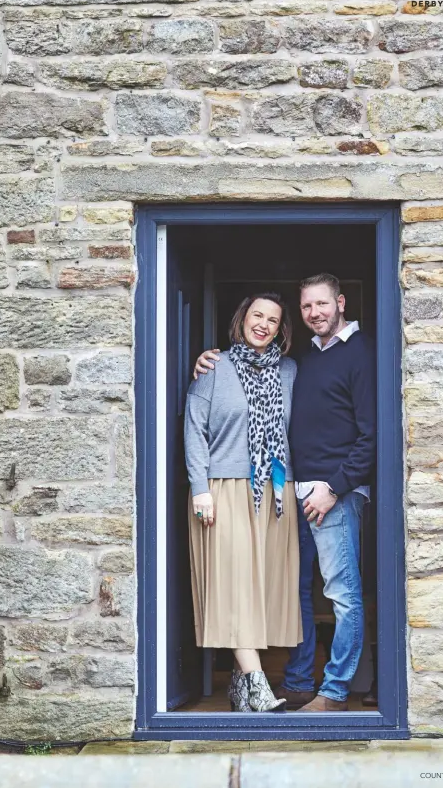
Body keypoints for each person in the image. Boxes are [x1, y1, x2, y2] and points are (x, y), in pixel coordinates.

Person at [193, 274, 376, 712]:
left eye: (322, 304)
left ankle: (333, 692)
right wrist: (206, 359)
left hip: (332, 493)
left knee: (341, 593)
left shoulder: (363, 353)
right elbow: (202, 424)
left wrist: (334, 488)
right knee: (293, 590)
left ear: (341, 303)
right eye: (307, 307)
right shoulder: (299, 361)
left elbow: (372, 435)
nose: (315, 313)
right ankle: (295, 681)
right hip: (286, 492)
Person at [184, 292, 302, 713]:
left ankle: (238, 686)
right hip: (224, 488)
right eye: (257, 315)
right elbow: (194, 428)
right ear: (242, 319)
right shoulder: (215, 367)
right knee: (233, 584)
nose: (264, 324)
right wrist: (200, 488)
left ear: (280, 329)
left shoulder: (288, 371)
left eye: (273, 319)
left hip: (274, 492)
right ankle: (258, 685)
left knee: (260, 589)